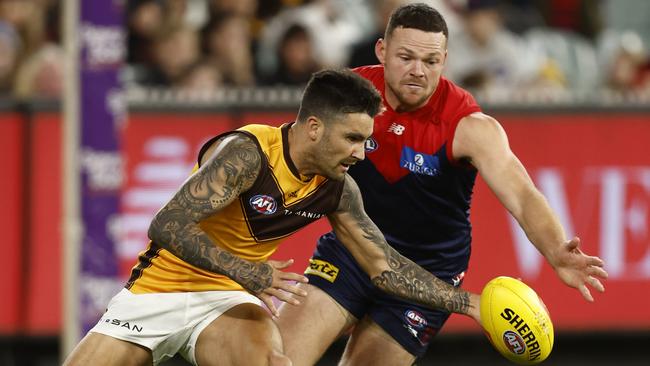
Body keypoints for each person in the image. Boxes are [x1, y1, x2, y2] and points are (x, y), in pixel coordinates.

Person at [63, 69, 484, 366]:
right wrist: (248, 270)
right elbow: (167, 225)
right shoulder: (248, 154)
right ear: (315, 127)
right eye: (353, 139)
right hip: (157, 293)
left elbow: (385, 267)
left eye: (366, 141)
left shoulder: (337, 188)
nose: (361, 153)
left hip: (225, 299)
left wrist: (471, 304)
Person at [277, 4, 609, 366]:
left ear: (445, 60)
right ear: (381, 51)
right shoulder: (346, 96)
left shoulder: (468, 125)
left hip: (427, 278)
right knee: (275, 359)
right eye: (405, 57)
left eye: (431, 61)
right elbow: (293, 157)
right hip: (352, 253)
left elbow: (522, 195)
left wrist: (556, 249)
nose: (418, 71)